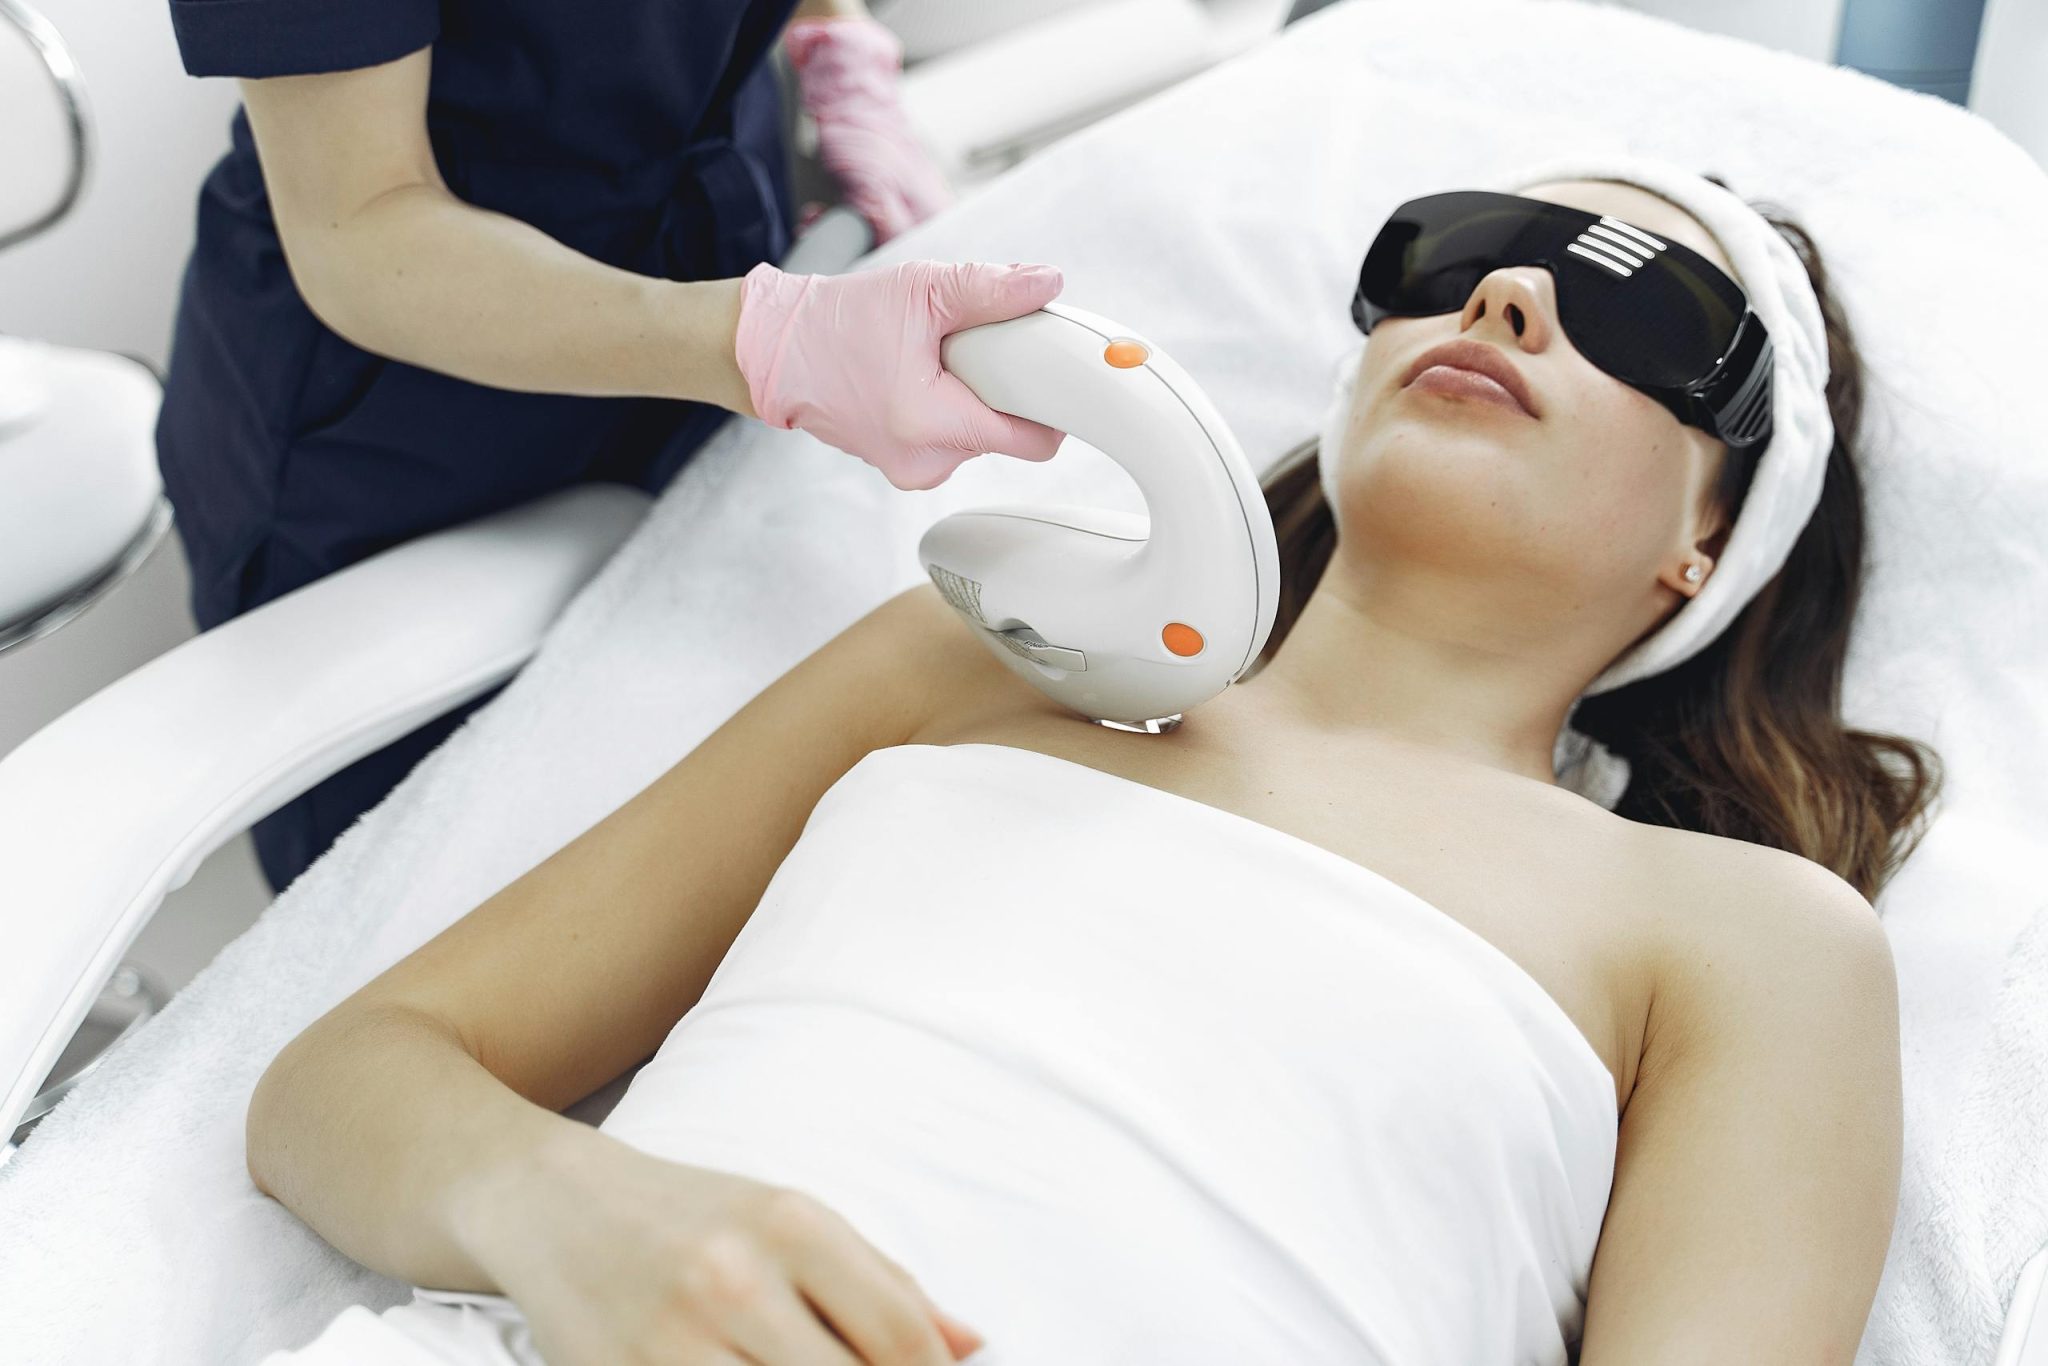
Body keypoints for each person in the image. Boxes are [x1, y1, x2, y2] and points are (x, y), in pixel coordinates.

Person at [246, 171, 1942, 1365]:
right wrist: (574, 1211)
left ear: (1709, 545)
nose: (1509, 294)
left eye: (1646, 308)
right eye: (1460, 249)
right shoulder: (981, 662)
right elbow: (342, 1085)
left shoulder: (1745, 940)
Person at [156, 0, 1065, 894]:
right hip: (404, 418)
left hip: (713, 277)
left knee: (718, 823)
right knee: (453, 898)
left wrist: (839, 49)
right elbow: (357, 228)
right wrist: (758, 343)